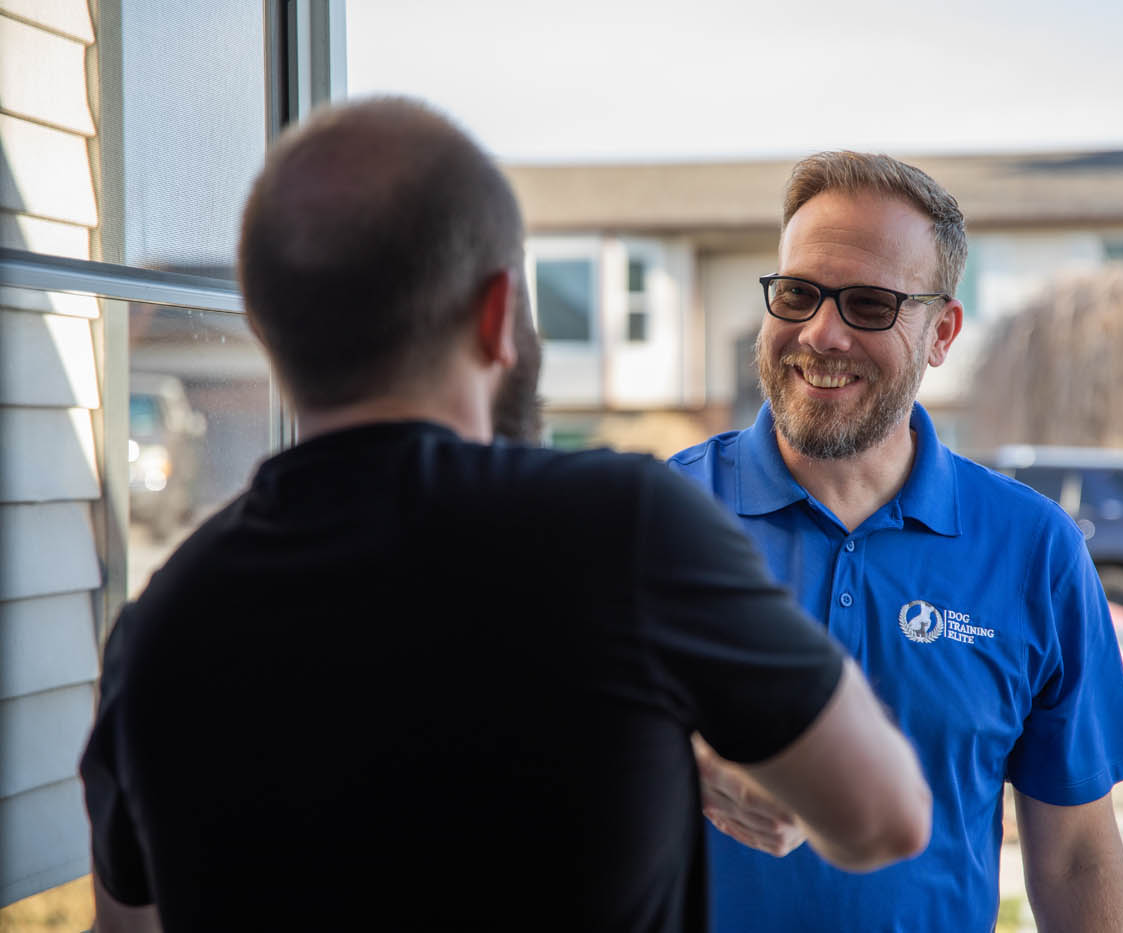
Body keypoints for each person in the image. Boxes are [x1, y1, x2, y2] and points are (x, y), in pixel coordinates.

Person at [78, 101, 932, 933]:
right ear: (497, 318)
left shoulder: (157, 629)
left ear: (266, 328)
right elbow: (884, 816)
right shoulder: (625, 532)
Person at [670, 150, 1123, 932]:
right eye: (798, 293)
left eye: (867, 304)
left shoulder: (1033, 550)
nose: (821, 334)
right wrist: (689, 756)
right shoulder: (663, 516)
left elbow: (1074, 856)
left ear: (942, 332)